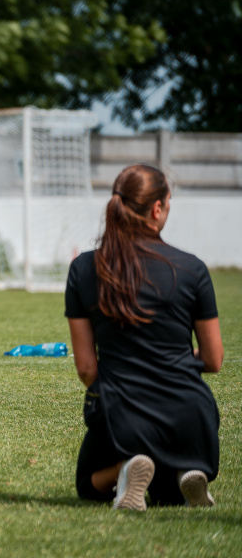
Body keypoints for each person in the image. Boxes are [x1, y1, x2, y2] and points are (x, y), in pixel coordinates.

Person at [66, 164, 223, 510]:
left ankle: (126, 468)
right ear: (157, 208)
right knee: (166, 498)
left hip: (122, 407)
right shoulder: (192, 268)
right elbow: (213, 360)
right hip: (190, 411)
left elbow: (87, 368)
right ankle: (183, 470)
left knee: (87, 483)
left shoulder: (84, 268)